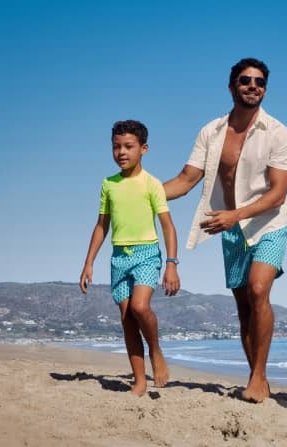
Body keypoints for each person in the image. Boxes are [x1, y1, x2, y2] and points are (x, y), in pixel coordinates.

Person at [163, 58, 287, 403]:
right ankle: (257, 376)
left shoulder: (278, 132)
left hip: (269, 221)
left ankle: (259, 376)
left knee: (258, 288)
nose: (253, 86)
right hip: (231, 225)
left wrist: (236, 214)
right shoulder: (212, 132)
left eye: (260, 82)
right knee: (243, 305)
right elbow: (186, 179)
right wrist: (139, 193)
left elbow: (278, 192)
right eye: (245, 80)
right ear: (231, 86)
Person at [79, 119, 181, 396]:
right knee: (126, 318)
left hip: (147, 253)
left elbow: (168, 226)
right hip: (118, 257)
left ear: (143, 149)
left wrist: (171, 265)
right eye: (116, 147)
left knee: (139, 307)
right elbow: (102, 226)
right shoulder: (108, 185)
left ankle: (156, 351)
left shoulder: (152, 184)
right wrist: (89, 262)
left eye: (128, 146)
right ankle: (139, 380)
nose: (121, 152)